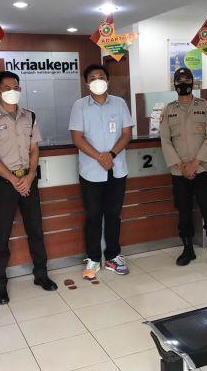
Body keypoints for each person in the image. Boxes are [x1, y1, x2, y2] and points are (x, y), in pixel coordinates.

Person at [0, 71, 57, 305]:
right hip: (5, 184)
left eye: (15, 87)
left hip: (29, 181)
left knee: (36, 230)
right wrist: (14, 181)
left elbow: (34, 149)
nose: (12, 91)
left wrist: (31, 175)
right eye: (7, 88)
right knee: (1, 234)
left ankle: (41, 275)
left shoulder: (29, 116)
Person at [69, 64, 134, 280]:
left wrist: (111, 155)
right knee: (93, 216)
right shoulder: (79, 106)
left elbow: (126, 133)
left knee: (114, 215)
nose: (97, 80)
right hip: (91, 172)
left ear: (108, 80)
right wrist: (100, 157)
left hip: (117, 169)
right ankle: (94, 258)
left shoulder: (119, 103)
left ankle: (113, 256)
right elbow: (77, 138)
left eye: (101, 76)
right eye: (93, 77)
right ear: (86, 83)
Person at [160, 67, 207, 268]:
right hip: (179, 171)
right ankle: (187, 249)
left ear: (193, 83)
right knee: (184, 212)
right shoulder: (168, 110)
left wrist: (195, 163)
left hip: (202, 170)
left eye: (186, 80)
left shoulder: (205, 107)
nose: (183, 84)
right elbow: (165, 141)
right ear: (174, 85)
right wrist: (181, 166)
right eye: (179, 81)